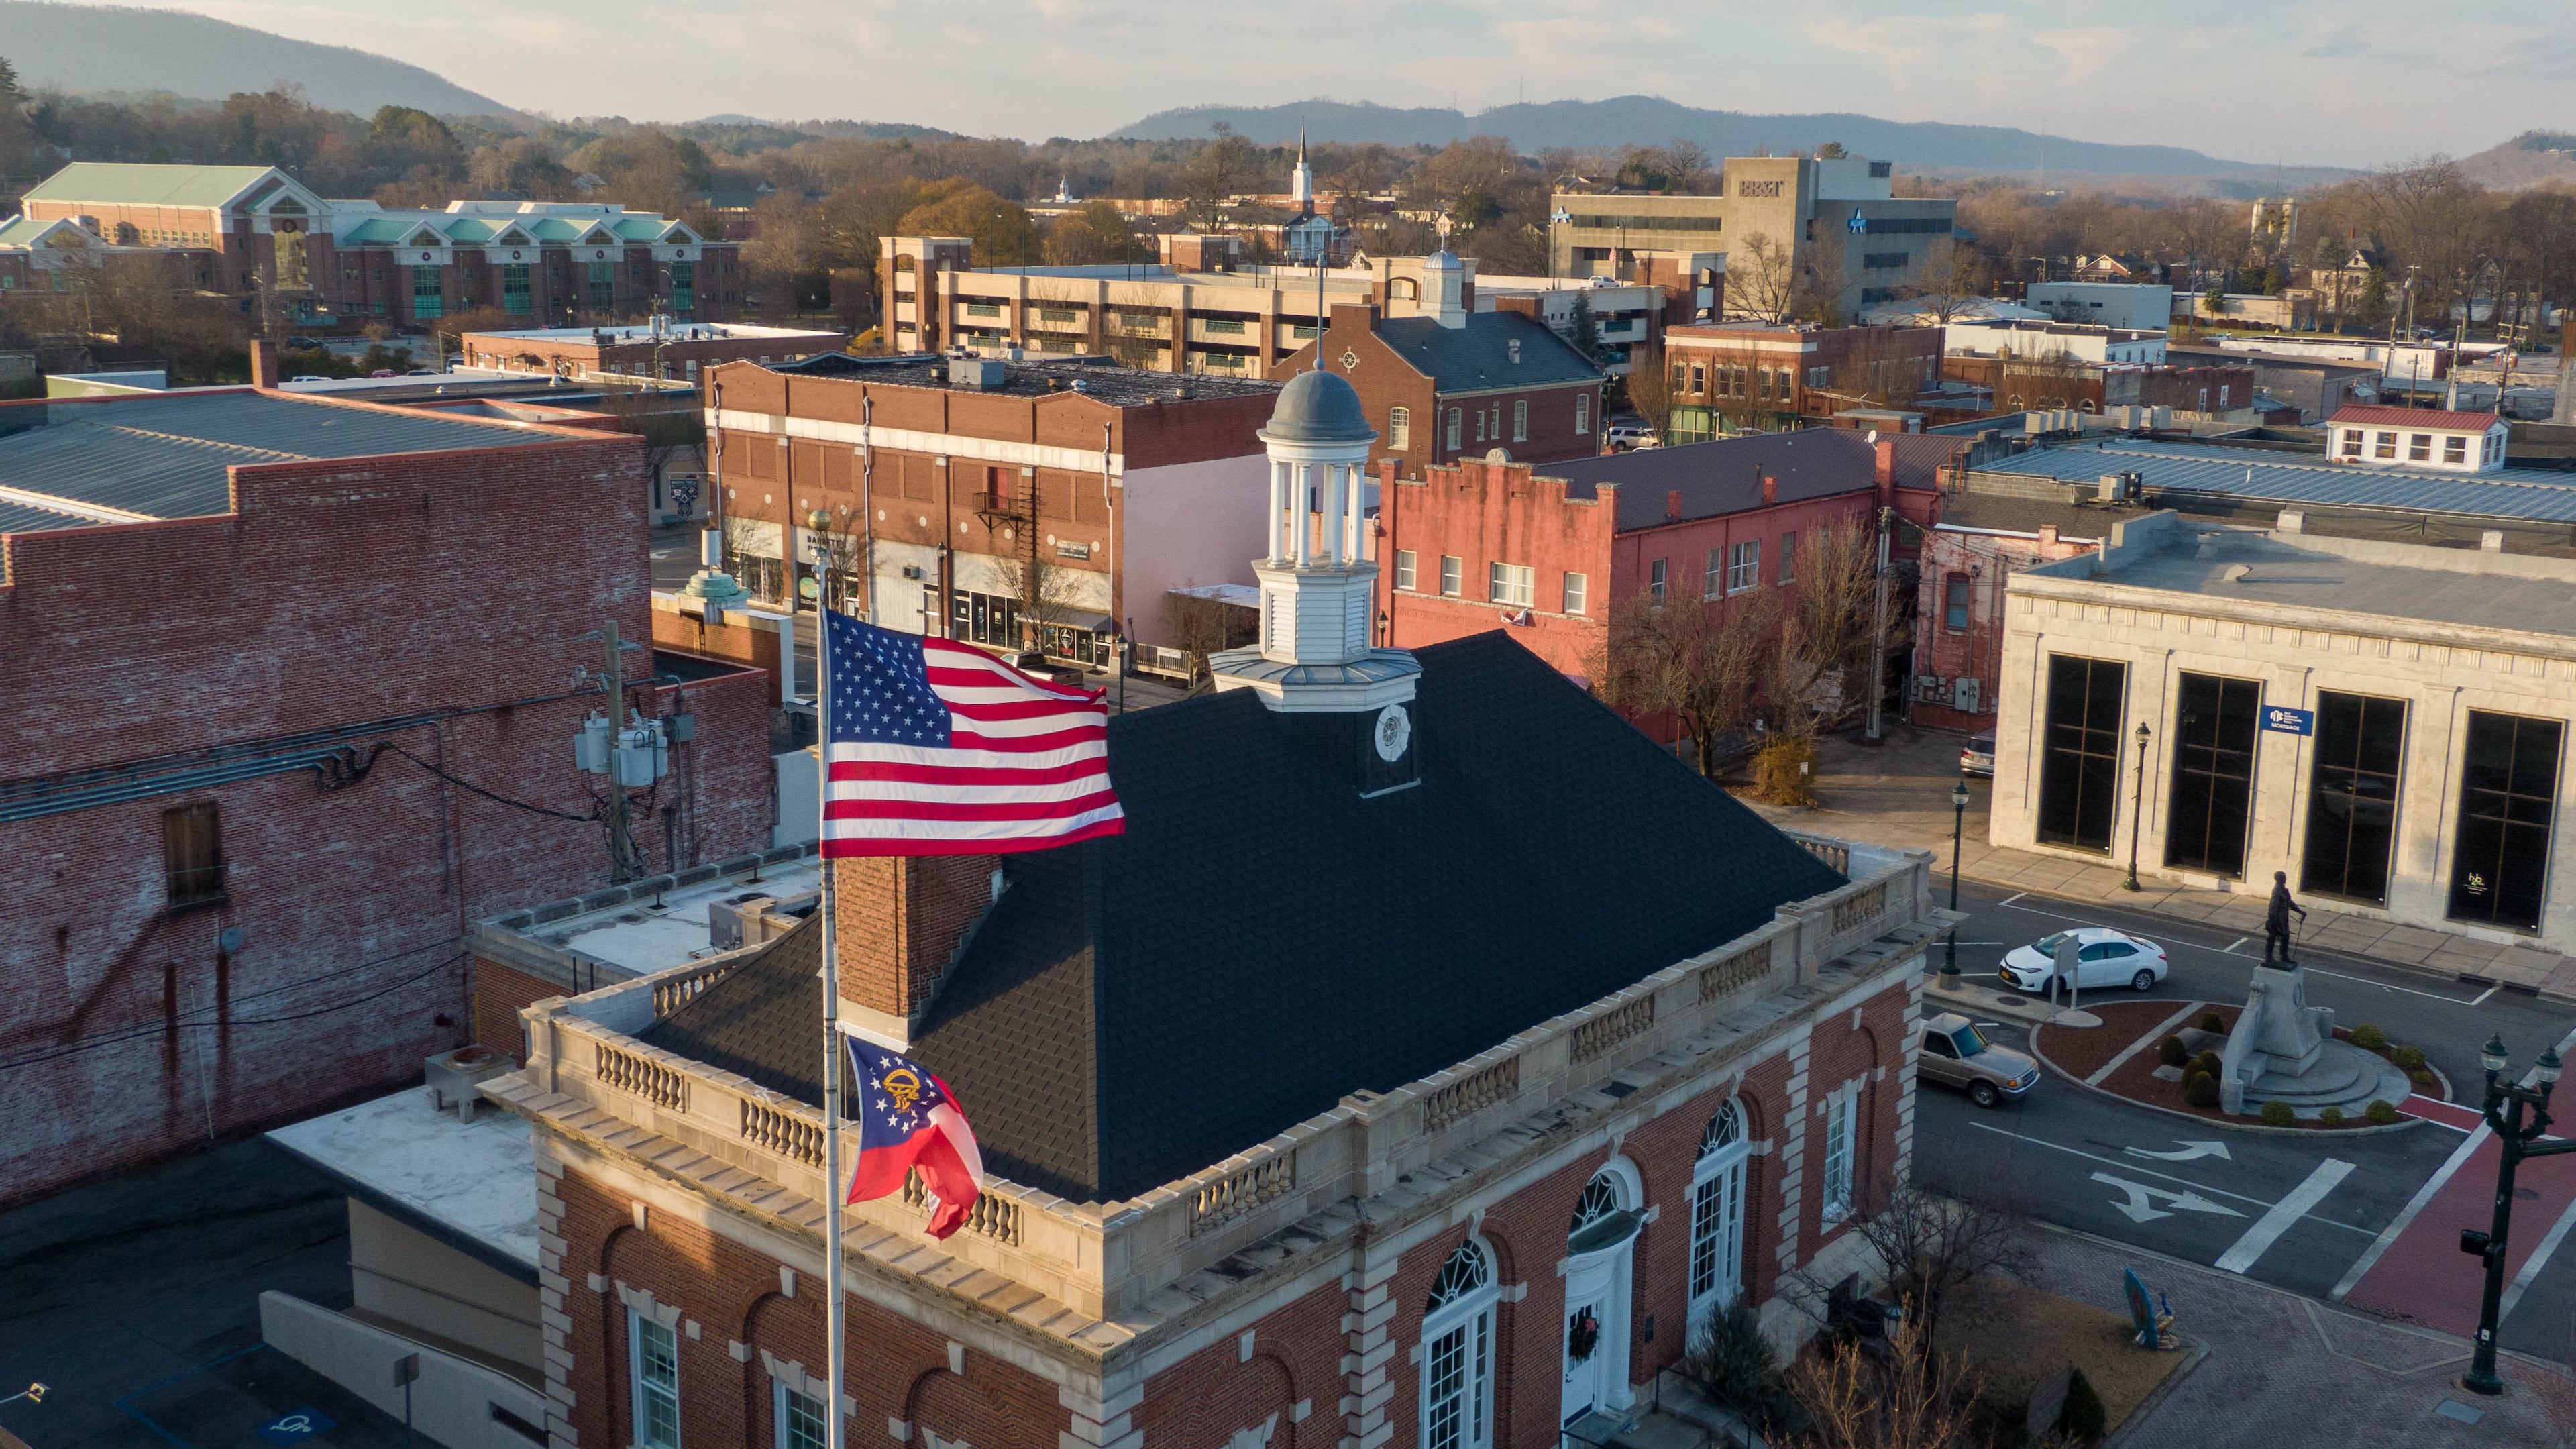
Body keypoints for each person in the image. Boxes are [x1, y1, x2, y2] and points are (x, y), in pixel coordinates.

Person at [2264, 871, 2306, 964]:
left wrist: (2300, 911)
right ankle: (2269, 957)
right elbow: (2273, 907)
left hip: (2283, 917)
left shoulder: (2284, 890)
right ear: (2280, 879)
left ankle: (2284, 956)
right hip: (2277, 917)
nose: (2286, 879)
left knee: (2286, 936)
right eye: (2284, 877)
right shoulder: (2277, 891)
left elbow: (2289, 902)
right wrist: (2272, 920)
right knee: (2272, 936)